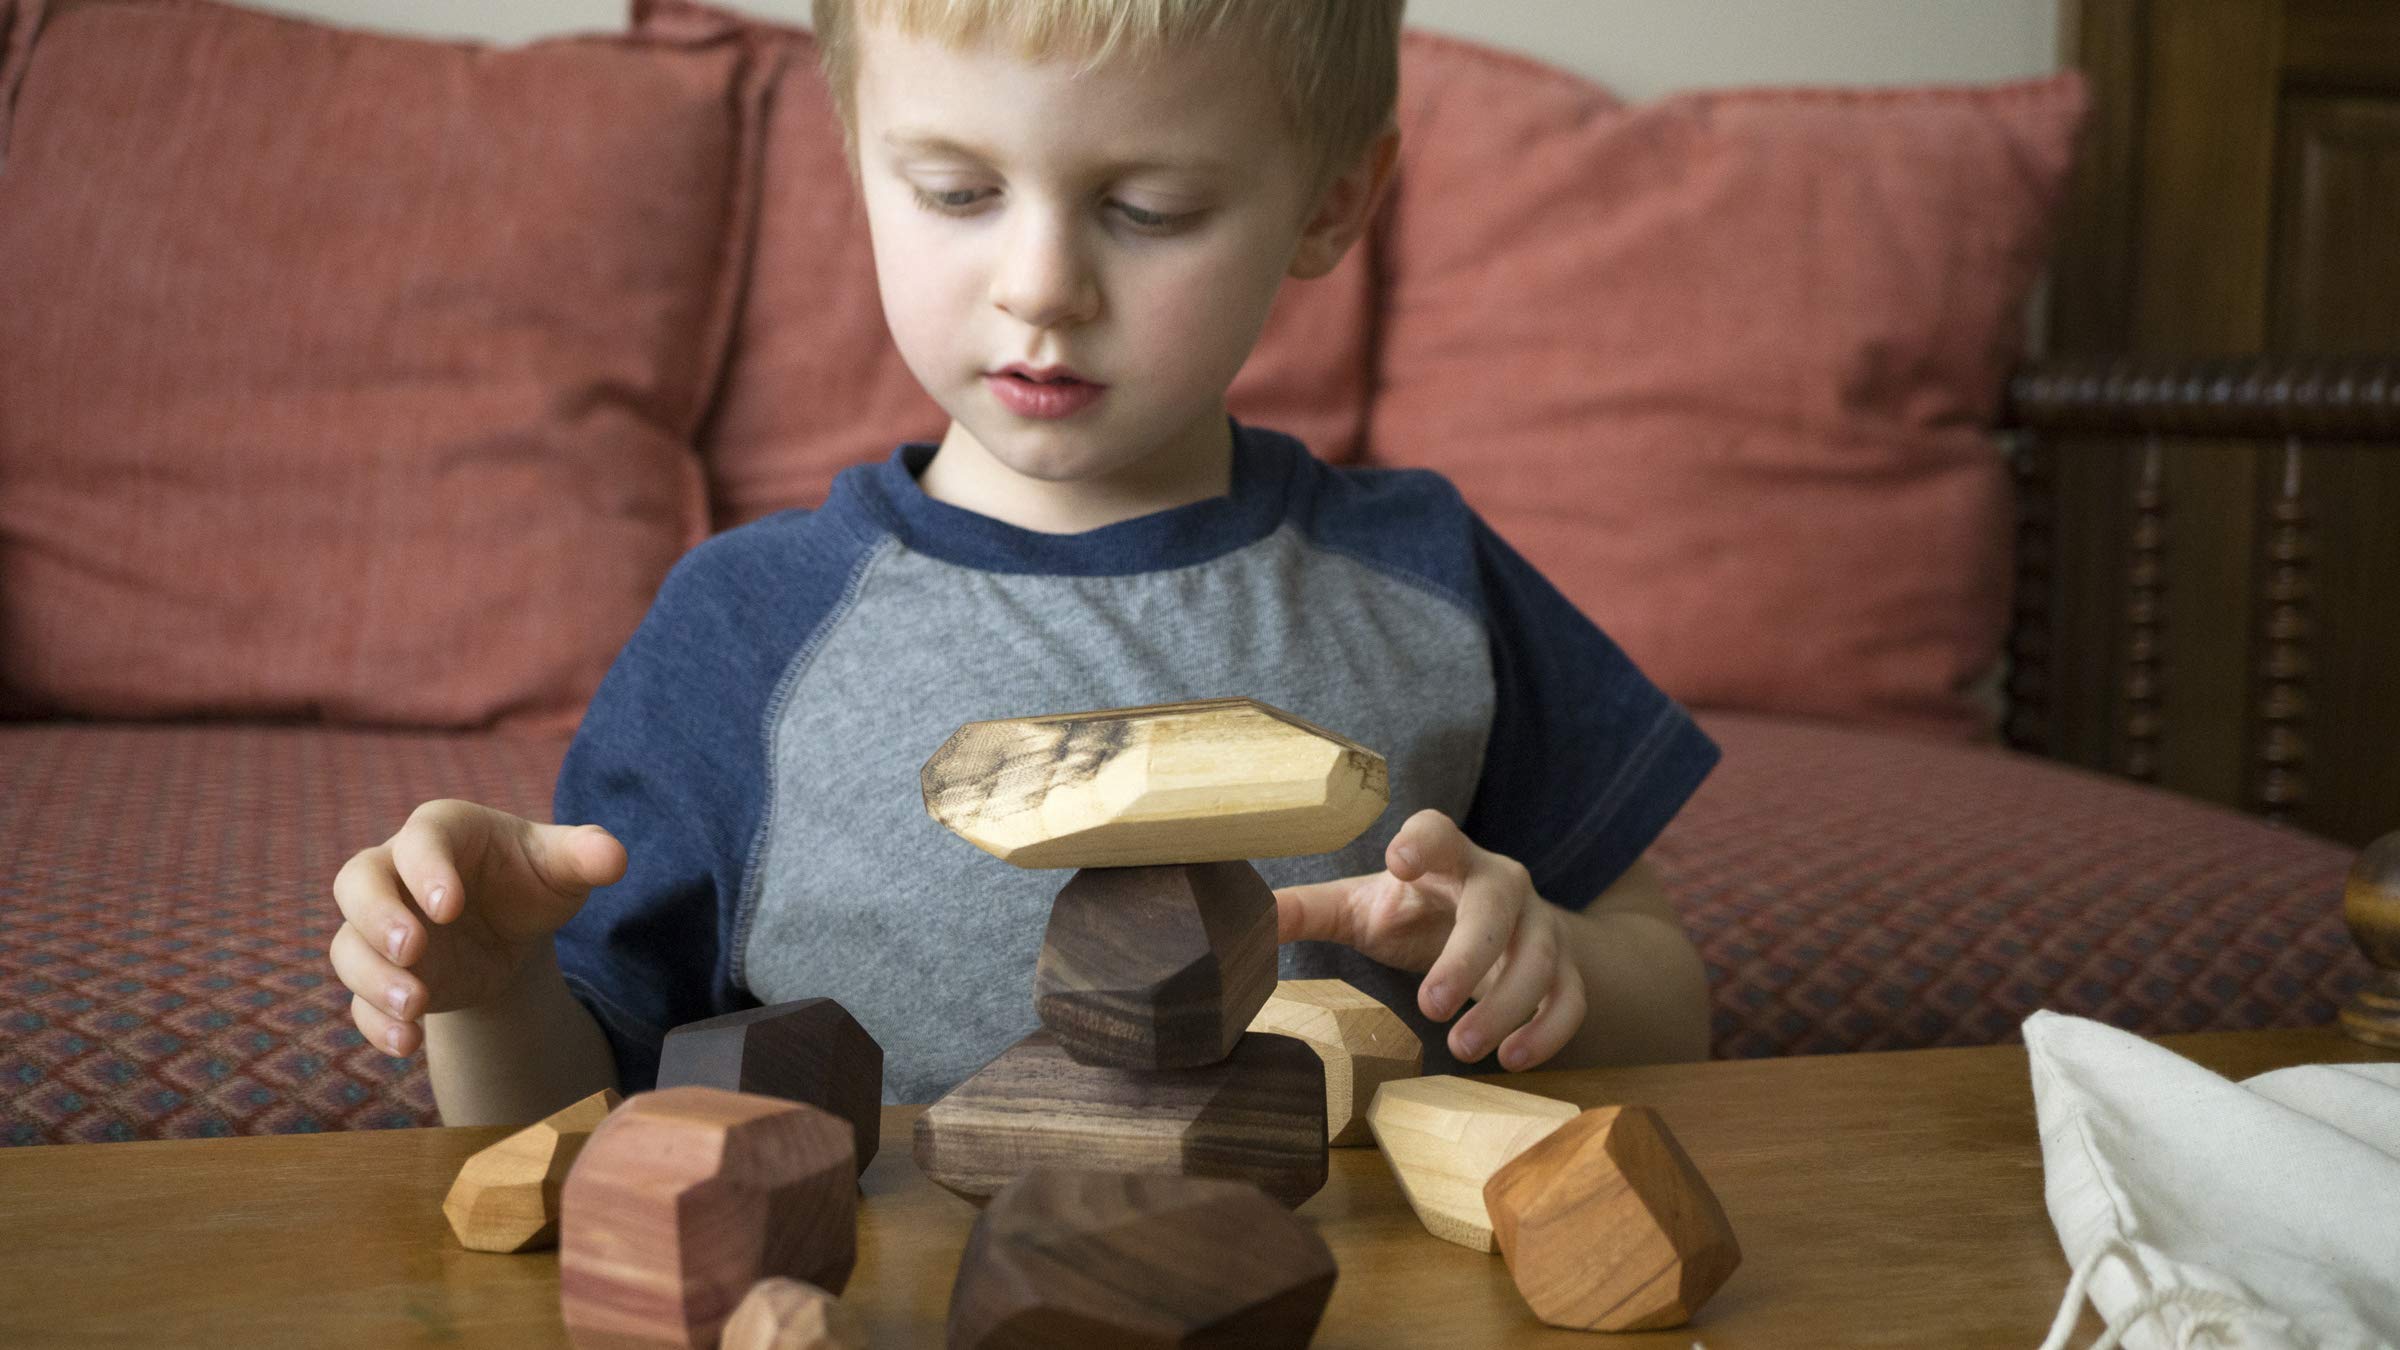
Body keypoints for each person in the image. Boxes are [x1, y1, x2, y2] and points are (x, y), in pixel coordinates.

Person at [328, 0, 1720, 1127]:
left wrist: (1551, 965)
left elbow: (1673, 1003)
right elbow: (560, 1125)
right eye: (958, 189)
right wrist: (490, 984)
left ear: (1331, 200)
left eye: (1151, 207)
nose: (1041, 284)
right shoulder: (743, 628)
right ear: (859, 152)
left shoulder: (1433, 580)